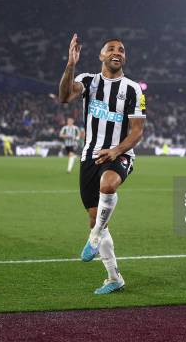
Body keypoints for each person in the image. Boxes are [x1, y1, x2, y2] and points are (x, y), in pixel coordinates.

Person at [58, 34, 146, 295]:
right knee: (95, 216)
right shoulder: (87, 81)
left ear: (124, 57)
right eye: (111, 49)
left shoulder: (132, 89)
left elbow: (137, 130)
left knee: (108, 185)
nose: (116, 52)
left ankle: (95, 236)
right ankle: (114, 277)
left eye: (121, 49)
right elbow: (64, 97)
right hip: (89, 156)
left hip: (120, 153)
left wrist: (117, 150)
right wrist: (70, 64)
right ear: (101, 55)